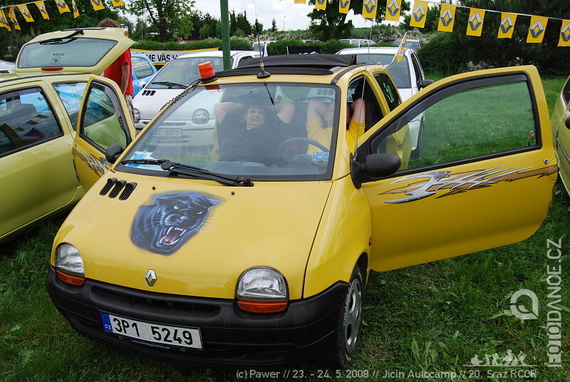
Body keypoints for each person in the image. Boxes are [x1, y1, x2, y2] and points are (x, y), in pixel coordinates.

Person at [213, 99, 294, 163]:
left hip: (255, 173)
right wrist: (245, 105)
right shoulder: (233, 127)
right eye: (252, 111)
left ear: (265, 117)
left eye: (261, 112)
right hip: (224, 172)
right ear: (245, 115)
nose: (256, 115)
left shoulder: (272, 129)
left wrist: (267, 108)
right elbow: (218, 107)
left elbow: (288, 106)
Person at [97, 18, 134, 119]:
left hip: (121, 94)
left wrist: (121, 95)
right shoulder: (109, 49)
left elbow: (125, 73)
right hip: (110, 92)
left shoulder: (122, 48)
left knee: (125, 123)